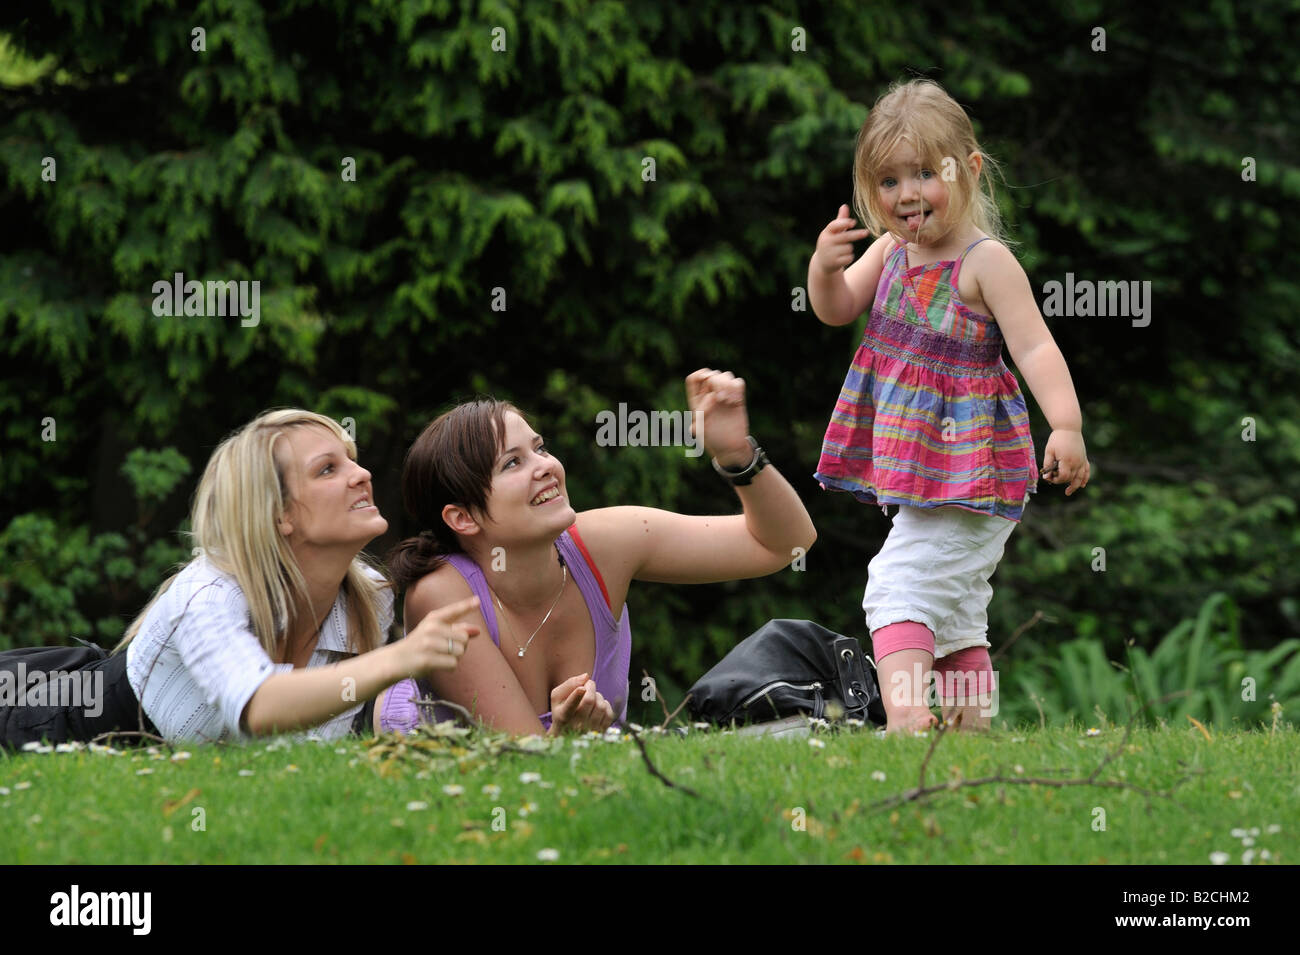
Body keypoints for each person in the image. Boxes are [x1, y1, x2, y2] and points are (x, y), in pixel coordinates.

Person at [807, 78, 1090, 735]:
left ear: (969, 170)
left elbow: (1036, 348)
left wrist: (1067, 426)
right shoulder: (888, 252)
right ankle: (965, 736)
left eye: (925, 174)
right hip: (929, 474)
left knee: (897, 588)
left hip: (972, 468)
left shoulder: (985, 264)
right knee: (957, 607)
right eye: (888, 181)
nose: (907, 194)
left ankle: (909, 722)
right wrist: (823, 268)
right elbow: (836, 308)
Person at [1, 409, 479, 747]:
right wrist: (404, 656)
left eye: (351, 459)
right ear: (278, 515)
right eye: (328, 469)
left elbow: (297, 752)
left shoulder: (369, 599)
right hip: (45, 724)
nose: (363, 474)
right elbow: (258, 708)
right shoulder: (209, 592)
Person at [381, 369, 818, 736]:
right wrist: (569, 739)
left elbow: (785, 543)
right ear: (463, 519)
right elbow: (524, 770)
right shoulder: (444, 598)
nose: (546, 466)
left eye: (540, 448)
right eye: (512, 463)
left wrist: (736, 454)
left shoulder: (603, 544)